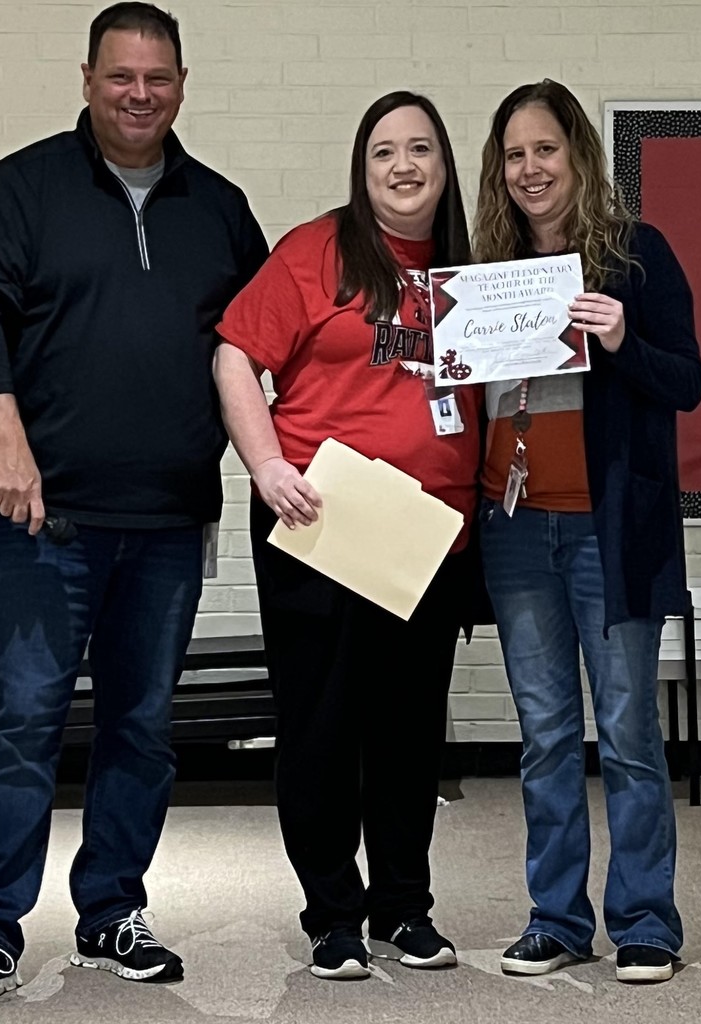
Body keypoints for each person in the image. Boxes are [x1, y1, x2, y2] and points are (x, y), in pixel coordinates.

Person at [0, 2, 267, 1014]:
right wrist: (3, 439)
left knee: (140, 726)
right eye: (121, 76)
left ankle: (112, 908)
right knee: (21, 723)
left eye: (157, 78)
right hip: (46, 519)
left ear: (182, 84)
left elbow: (260, 339)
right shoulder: (23, 186)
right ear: (87, 79)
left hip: (168, 522)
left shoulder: (218, 207)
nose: (139, 95)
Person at [214, 91, 484, 980]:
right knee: (322, 725)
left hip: (427, 536)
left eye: (420, 149)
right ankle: (333, 915)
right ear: (361, 169)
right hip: (321, 522)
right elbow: (233, 356)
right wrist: (264, 465)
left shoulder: (471, 272)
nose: (403, 166)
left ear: (444, 165)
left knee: (409, 732)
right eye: (383, 151)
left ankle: (403, 908)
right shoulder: (315, 251)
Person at [471, 79, 701, 984]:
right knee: (543, 734)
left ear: (577, 155)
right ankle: (556, 919)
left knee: (628, 732)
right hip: (514, 530)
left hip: (609, 533)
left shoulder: (636, 254)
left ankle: (645, 921)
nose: (529, 169)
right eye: (513, 154)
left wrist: (619, 341)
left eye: (544, 150)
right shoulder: (486, 270)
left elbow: (687, 383)